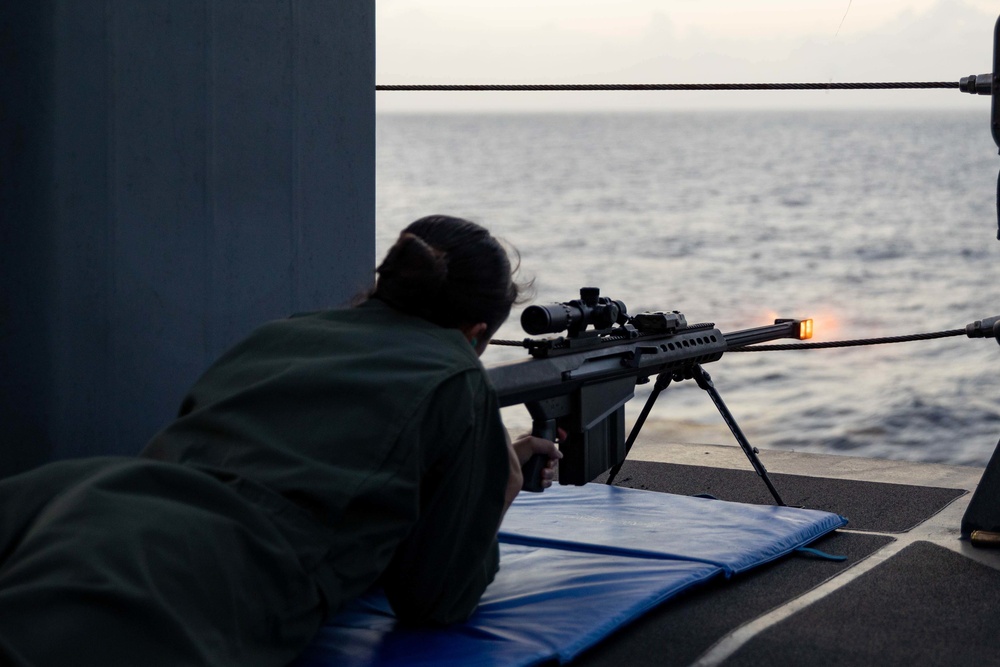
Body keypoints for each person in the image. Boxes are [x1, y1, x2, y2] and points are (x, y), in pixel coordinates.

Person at [0, 215, 561, 667]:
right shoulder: (457, 375)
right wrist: (495, 489)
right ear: (477, 334)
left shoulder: (285, 331)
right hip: (193, 575)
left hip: (69, 502)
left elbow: (299, 458)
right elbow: (436, 600)